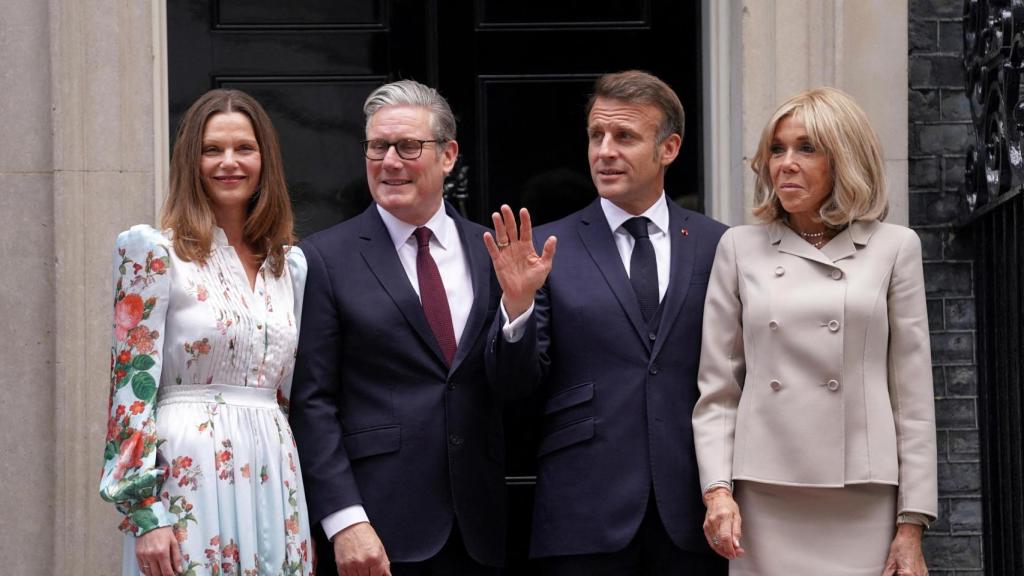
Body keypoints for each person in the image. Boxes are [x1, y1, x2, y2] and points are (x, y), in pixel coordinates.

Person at [486, 70, 727, 575]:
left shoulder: (719, 245)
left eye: (625, 136)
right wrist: (517, 307)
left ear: (669, 148)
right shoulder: (548, 250)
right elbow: (514, 389)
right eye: (596, 135)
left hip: (695, 514)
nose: (604, 151)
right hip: (582, 514)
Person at [692, 87, 938, 575]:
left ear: (844, 160)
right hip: (766, 489)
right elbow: (718, 390)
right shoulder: (738, 248)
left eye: (806, 148)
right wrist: (717, 491)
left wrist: (912, 524)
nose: (785, 163)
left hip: (863, 492)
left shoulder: (894, 248)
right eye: (777, 149)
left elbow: (912, 398)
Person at [290, 79, 518, 575]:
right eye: (377, 146)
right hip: (374, 531)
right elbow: (311, 401)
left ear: (449, 154)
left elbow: (518, 387)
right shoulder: (323, 259)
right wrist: (345, 519)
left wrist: (519, 309)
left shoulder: (493, 252)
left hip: (479, 532)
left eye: (409, 146)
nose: (390, 161)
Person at [99, 89, 312, 576]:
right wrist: (143, 511)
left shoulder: (289, 266)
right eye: (212, 149)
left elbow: (287, 394)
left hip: (273, 470)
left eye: (244, 149)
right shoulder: (153, 251)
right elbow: (131, 389)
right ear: (189, 160)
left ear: (265, 160)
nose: (228, 163)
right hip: (186, 474)